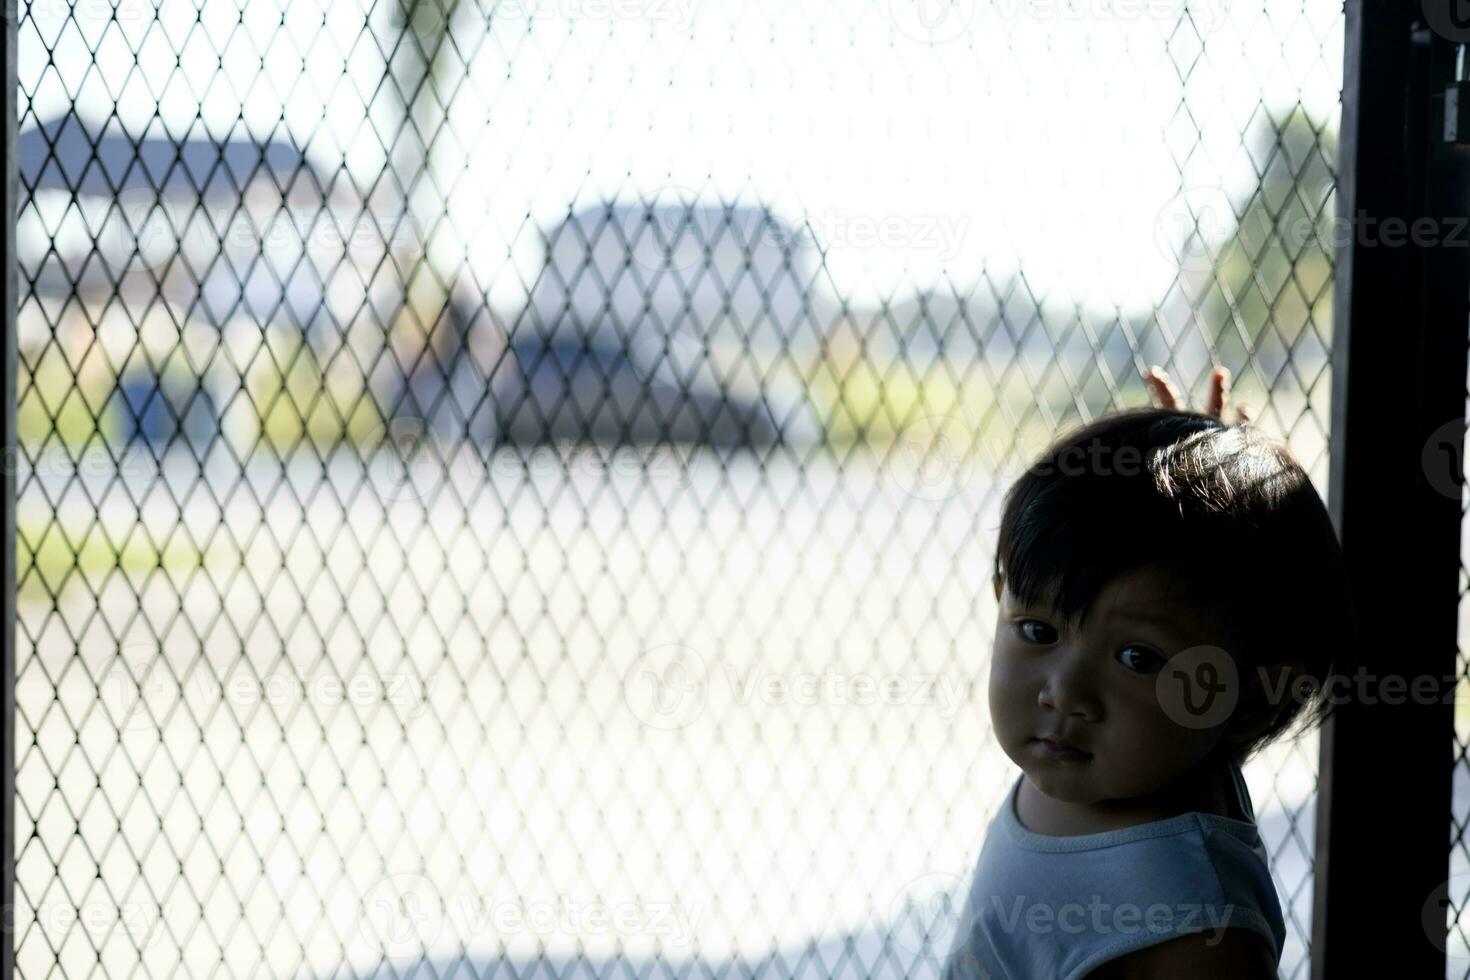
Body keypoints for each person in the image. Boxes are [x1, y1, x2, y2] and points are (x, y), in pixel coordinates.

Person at [940, 364, 1354, 979]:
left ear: (1251, 701)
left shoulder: (1196, 928)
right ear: (1001, 593)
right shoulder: (1133, 760)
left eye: (1138, 658)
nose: (1065, 693)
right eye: (1037, 631)